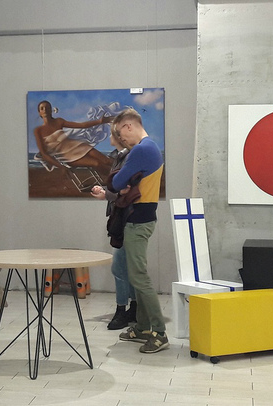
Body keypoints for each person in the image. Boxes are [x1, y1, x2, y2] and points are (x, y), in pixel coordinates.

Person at [109, 108, 167, 353]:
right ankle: (143, 327)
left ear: (128, 126)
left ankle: (159, 332)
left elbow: (116, 182)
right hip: (141, 218)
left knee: (140, 278)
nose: (121, 139)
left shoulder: (142, 149)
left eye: (121, 134)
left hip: (138, 221)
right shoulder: (151, 148)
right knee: (134, 275)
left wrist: (121, 184)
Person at [91, 128, 137, 330]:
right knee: (128, 267)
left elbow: (127, 191)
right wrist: (106, 191)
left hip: (127, 217)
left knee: (119, 267)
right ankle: (133, 308)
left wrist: (106, 194)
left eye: (111, 134)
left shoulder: (127, 158)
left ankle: (122, 310)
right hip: (123, 217)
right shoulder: (119, 157)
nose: (108, 137)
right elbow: (119, 189)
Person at [33, 100, 113, 176]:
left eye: (47, 107)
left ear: (51, 110)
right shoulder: (38, 130)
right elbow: (44, 154)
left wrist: (100, 121)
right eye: (42, 108)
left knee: (106, 161)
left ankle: (119, 173)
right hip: (67, 157)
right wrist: (61, 167)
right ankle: (114, 178)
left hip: (79, 146)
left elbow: (82, 125)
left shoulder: (59, 121)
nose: (45, 110)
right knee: (97, 163)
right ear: (39, 112)